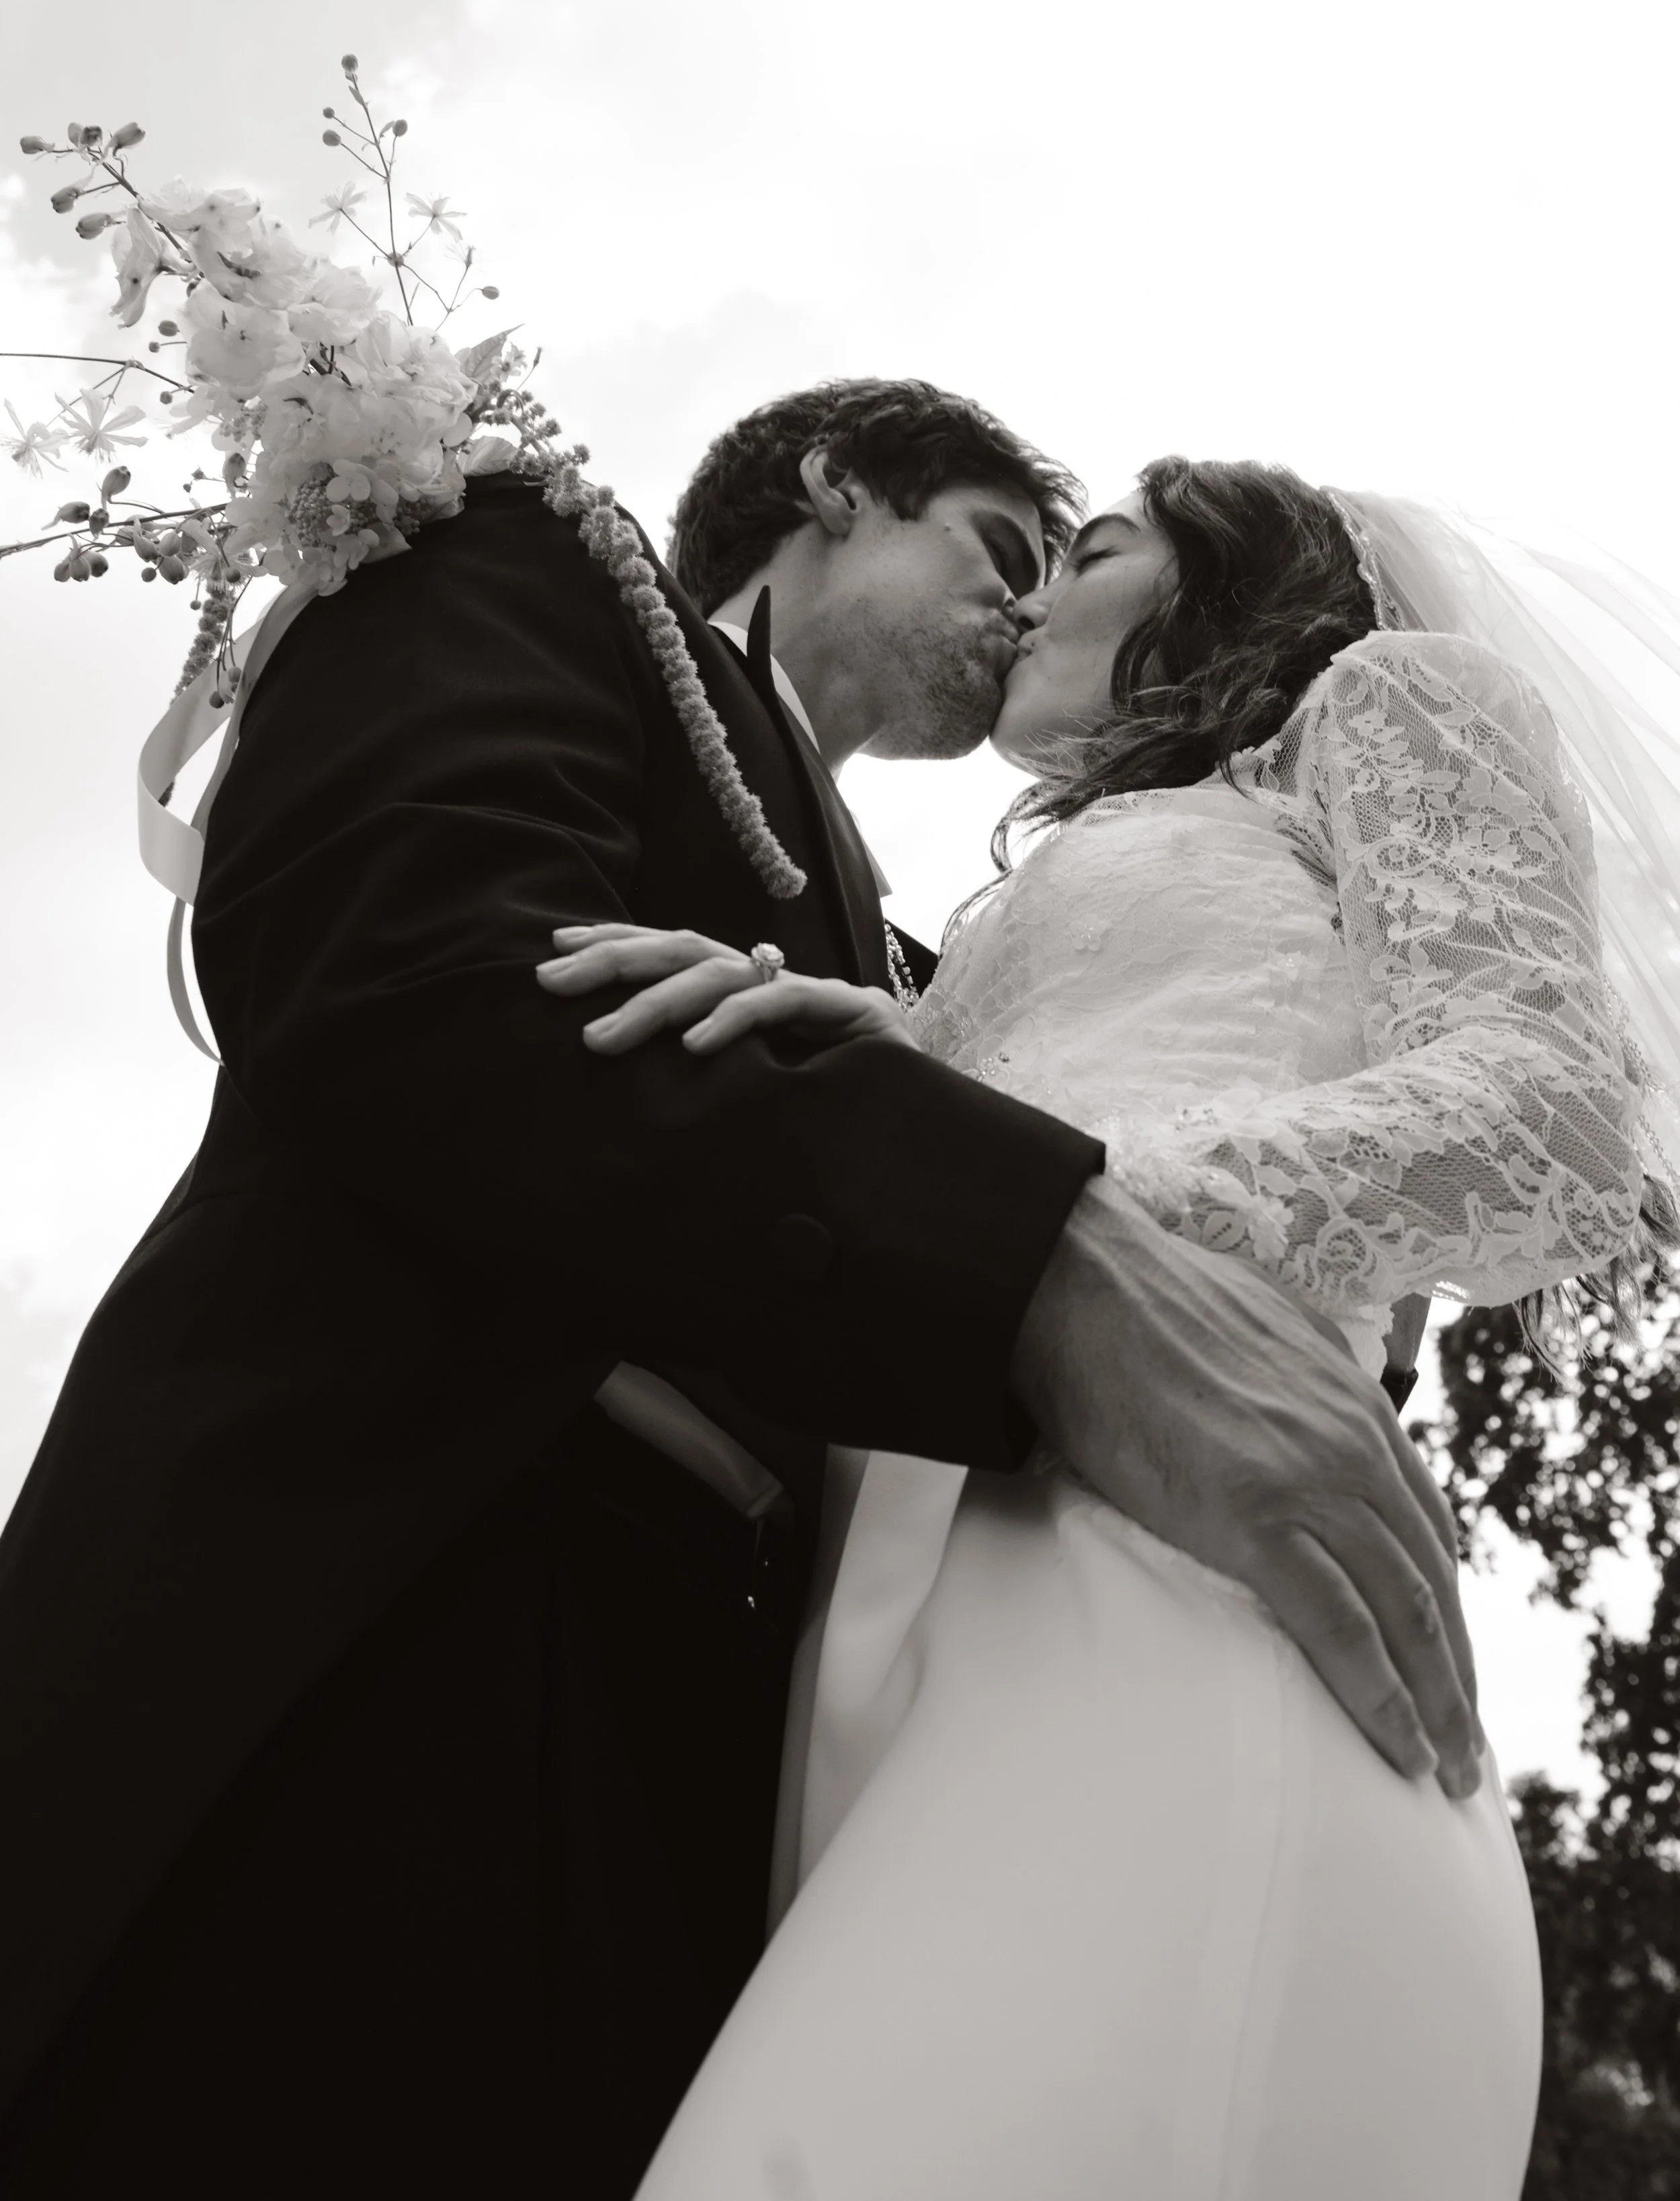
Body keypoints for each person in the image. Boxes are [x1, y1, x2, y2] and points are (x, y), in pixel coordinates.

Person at [0, 397, 1470, 2200]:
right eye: (1003, 550)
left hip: (739, 1797)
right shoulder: (532, 560)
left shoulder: (939, 968)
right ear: (835, 489)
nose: (1022, 613)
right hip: (387, 1647)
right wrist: (1033, 1256)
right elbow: (401, 960)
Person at [558, 457, 1671, 2200]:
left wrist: (1009, 1217)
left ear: (1223, 578)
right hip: (896, 1633)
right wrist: (832, 1051)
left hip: (1176, 1577)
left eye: (1080, 551)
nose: (1024, 602)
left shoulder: (1389, 700)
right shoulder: (1055, 887)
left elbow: (1542, 1119)